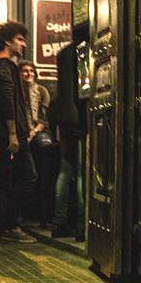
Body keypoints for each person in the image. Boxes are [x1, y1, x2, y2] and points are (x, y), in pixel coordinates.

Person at [0, 21, 37, 243]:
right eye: (19, 39)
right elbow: (8, 101)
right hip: (9, 132)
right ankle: (10, 224)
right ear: (7, 41)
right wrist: (14, 133)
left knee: (1, 177)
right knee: (29, 175)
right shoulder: (5, 66)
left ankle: (0, 225)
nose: (23, 43)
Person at [49, 43, 86, 240]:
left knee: (65, 171)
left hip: (63, 118)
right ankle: (81, 228)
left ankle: (59, 223)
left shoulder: (63, 52)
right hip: (79, 117)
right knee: (81, 172)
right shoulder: (83, 48)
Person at [19, 60, 53, 226]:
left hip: (38, 131)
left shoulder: (42, 91)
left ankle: (43, 215)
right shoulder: (17, 93)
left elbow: (43, 119)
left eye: (31, 71)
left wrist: (33, 132)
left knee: (44, 150)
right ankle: (24, 214)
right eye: (25, 71)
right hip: (22, 133)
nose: (29, 74)